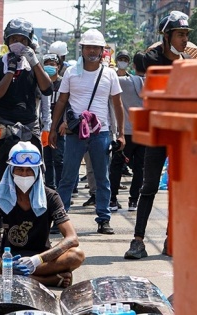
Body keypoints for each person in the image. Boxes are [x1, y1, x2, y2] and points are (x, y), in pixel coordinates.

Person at [0, 142, 85, 288]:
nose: (24, 175)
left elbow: (72, 238)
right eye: (19, 170)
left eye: (29, 170)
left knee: (77, 255)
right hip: (7, 260)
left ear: (37, 172)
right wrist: (4, 264)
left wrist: (37, 260)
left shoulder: (50, 197)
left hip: (41, 260)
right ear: (11, 171)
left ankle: (16, 277)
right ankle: (43, 280)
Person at [124, 11, 193, 259]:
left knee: (181, 188)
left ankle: (171, 239)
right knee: (149, 185)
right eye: (180, 35)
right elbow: (142, 60)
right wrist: (163, 49)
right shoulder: (151, 58)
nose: (184, 40)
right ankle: (138, 240)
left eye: (186, 35)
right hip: (157, 132)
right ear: (166, 36)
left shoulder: (186, 62)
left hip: (179, 133)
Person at [48, 29, 125, 235]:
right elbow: (62, 101)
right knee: (67, 178)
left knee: (102, 178)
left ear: (102, 51)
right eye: (88, 47)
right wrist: (54, 128)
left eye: (96, 48)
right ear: (82, 49)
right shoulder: (71, 73)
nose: (92, 50)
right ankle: (60, 219)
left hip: (101, 133)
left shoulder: (110, 74)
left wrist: (121, 133)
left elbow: (118, 105)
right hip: (75, 133)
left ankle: (103, 219)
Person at [0, 17, 53, 194]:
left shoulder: (32, 66)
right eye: (14, 39)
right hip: (4, 125)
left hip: (30, 125)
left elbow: (47, 89)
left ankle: (35, 215)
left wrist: (35, 62)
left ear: (30, 42)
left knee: (35, 171)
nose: (18, 43)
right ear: (7, 40)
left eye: (23, 40)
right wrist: (10, 71)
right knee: (2, 171)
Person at [108, 50, 146, 212]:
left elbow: (108, 80)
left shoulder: (122, 82)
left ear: (134, 65)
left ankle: (113, 199)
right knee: (140, 169)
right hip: (144, 133)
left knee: (116, 166)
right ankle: (133, 201)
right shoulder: (154, 83)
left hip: (125, 133)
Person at [40, 53, 64, 191]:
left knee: (59, 158)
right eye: (47, 64)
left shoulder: (63, 83)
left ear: (58, 66)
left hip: (60, 126)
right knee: (47, 158)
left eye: (53, 64)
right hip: (45, 126)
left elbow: (68, 104)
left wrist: (65, 122)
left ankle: (61, 188)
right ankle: (50, 187)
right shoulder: (42, 84)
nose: (50, 67)